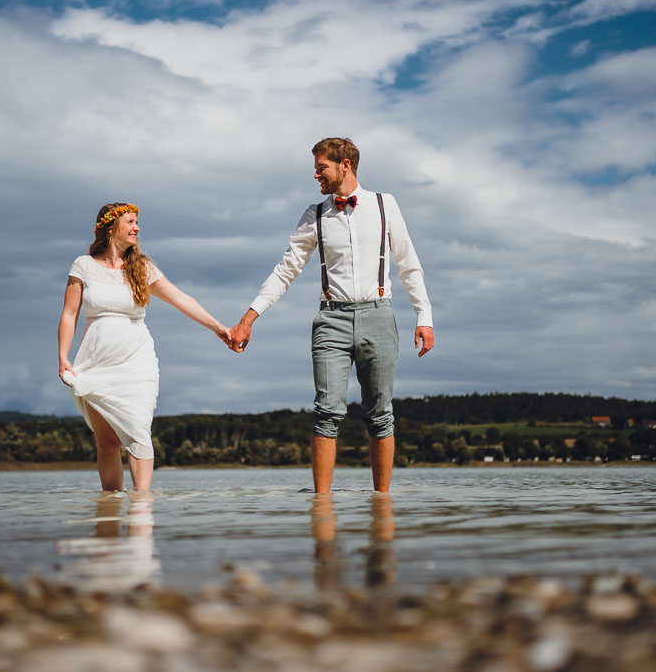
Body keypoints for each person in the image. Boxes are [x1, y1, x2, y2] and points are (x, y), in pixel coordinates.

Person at [227, 138, 434, 493]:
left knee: (380, 414)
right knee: (326, 412)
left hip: (379, 317)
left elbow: (408, 266)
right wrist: (249, 318)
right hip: (331, 321)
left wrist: (424, 317)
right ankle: (321, 506)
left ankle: (380, 506)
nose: (315, 174)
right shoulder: (315, 214)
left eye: (321, 166)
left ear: (345, 165)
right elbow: (285, 270)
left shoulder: (386, 205)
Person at [58, 202, 230, 492]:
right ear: (111, 227)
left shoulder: (142, 267)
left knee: (139, 432)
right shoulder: (83, 266)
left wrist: (218, 328)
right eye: (131, 222)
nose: (137, 228)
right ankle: (109, 519)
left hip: (137, 361)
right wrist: (63, 357)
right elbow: (69, 313)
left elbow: (180, 299)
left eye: (137, 223)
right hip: (96, 362)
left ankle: (141, 509)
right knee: (108, 442)